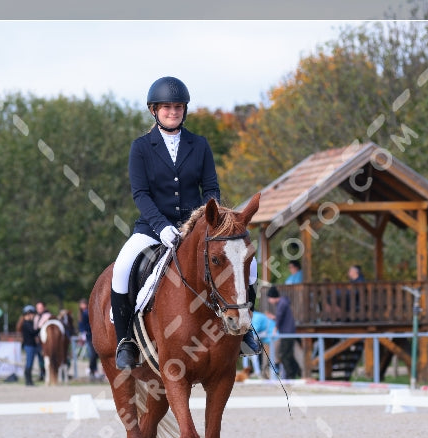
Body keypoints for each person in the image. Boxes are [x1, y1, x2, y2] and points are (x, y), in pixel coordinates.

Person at [109, 75, 259, 369]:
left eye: (178, 107)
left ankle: (245, 329)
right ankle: (126, 340)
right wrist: (162, 226)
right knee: (121, 269)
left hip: (198, 229)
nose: (173, 112)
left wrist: (208, 220)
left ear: (184, 110)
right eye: (166, 107)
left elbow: (211, 190)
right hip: (154, 229)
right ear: (154, 110)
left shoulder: (199, 145)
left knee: (250, 264)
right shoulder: (141, 147)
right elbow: (140, 193)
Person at [266, 286, 300, 379]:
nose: (269, 301)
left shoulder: (281, 304)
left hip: (287, 333)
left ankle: (291, 375)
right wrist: (273, 317)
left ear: (273, 297)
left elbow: (280, 318)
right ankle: (295, 372)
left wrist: (274, 330)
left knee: (284, 355)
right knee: (287, 354)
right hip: (288, 333)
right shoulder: (283, 303)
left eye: (269, 298)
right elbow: (280, 317)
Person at [242, 309, 275, 379]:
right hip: (265, 339)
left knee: (270, 359)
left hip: (271, 339)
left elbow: (254, 332)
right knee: (253, 357)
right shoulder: (253, 317)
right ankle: (259, 373)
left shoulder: (256, 318)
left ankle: (263, 374)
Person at [77, 298, 99, 380]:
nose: (83, 306)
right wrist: (83, 333)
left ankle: (93, 370)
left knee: (95, 354)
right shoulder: (83, 314)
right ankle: (91, 369)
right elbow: (81, 326)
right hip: (89, 336)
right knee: (93, 353)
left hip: (93, 334)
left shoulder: (88, 312)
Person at [18, 304, 39, 386]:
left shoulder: (28, 323)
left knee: (30, 362)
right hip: (29, 345)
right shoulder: (26, 324)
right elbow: (33, 332)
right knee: (29, 363)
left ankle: (29, 380)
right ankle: (28, 380)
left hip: (31, 345)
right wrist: (40, 328)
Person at [33, 301, 49, 381]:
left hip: (45, 340)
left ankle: (46, 373)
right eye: (38, 308)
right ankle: (42, 373)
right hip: (39, 340)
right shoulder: (36, 317)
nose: (39, 309)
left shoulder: (47, 316)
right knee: (40, 358)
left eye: (40, 308)